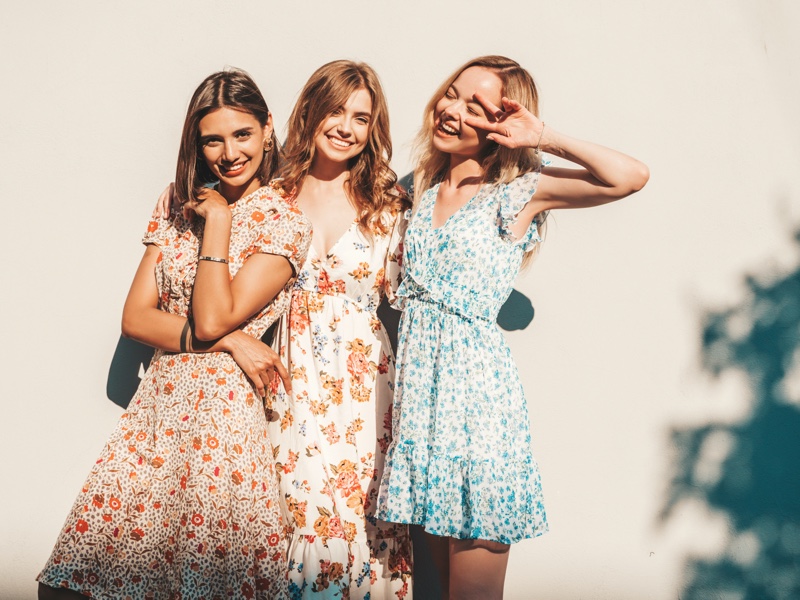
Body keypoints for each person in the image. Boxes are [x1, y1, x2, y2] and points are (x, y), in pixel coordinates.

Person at [376, 55, 650, 600]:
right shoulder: (421, 188)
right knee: (431, 591)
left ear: (502, 123)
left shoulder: (520, 190)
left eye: (475, 107)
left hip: (477, 413)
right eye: (451, 94)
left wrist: (543, 136)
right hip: (421, 409)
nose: (451, 110)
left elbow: (630, 177)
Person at [37, 69, 312, 600]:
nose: (229, 152)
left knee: (197, 583)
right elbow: (136, 319)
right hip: (155, 415)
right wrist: (233, 340)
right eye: (213, 139)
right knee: (84, 576)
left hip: (220, 424)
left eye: (242, 135)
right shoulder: (178, 206)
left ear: (268, 128)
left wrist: (220, 224)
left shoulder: (284, 221)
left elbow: (212, 316)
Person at [154, 60, 413, 599]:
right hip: (285, 374)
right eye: (336, 110)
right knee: (300, 519)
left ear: (374, 129)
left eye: (361, 118)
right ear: (310, 113)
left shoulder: (390, 203)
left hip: (365, 389)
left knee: (363, 525)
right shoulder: (271, 194)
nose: (345, 126)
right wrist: (178, 206)